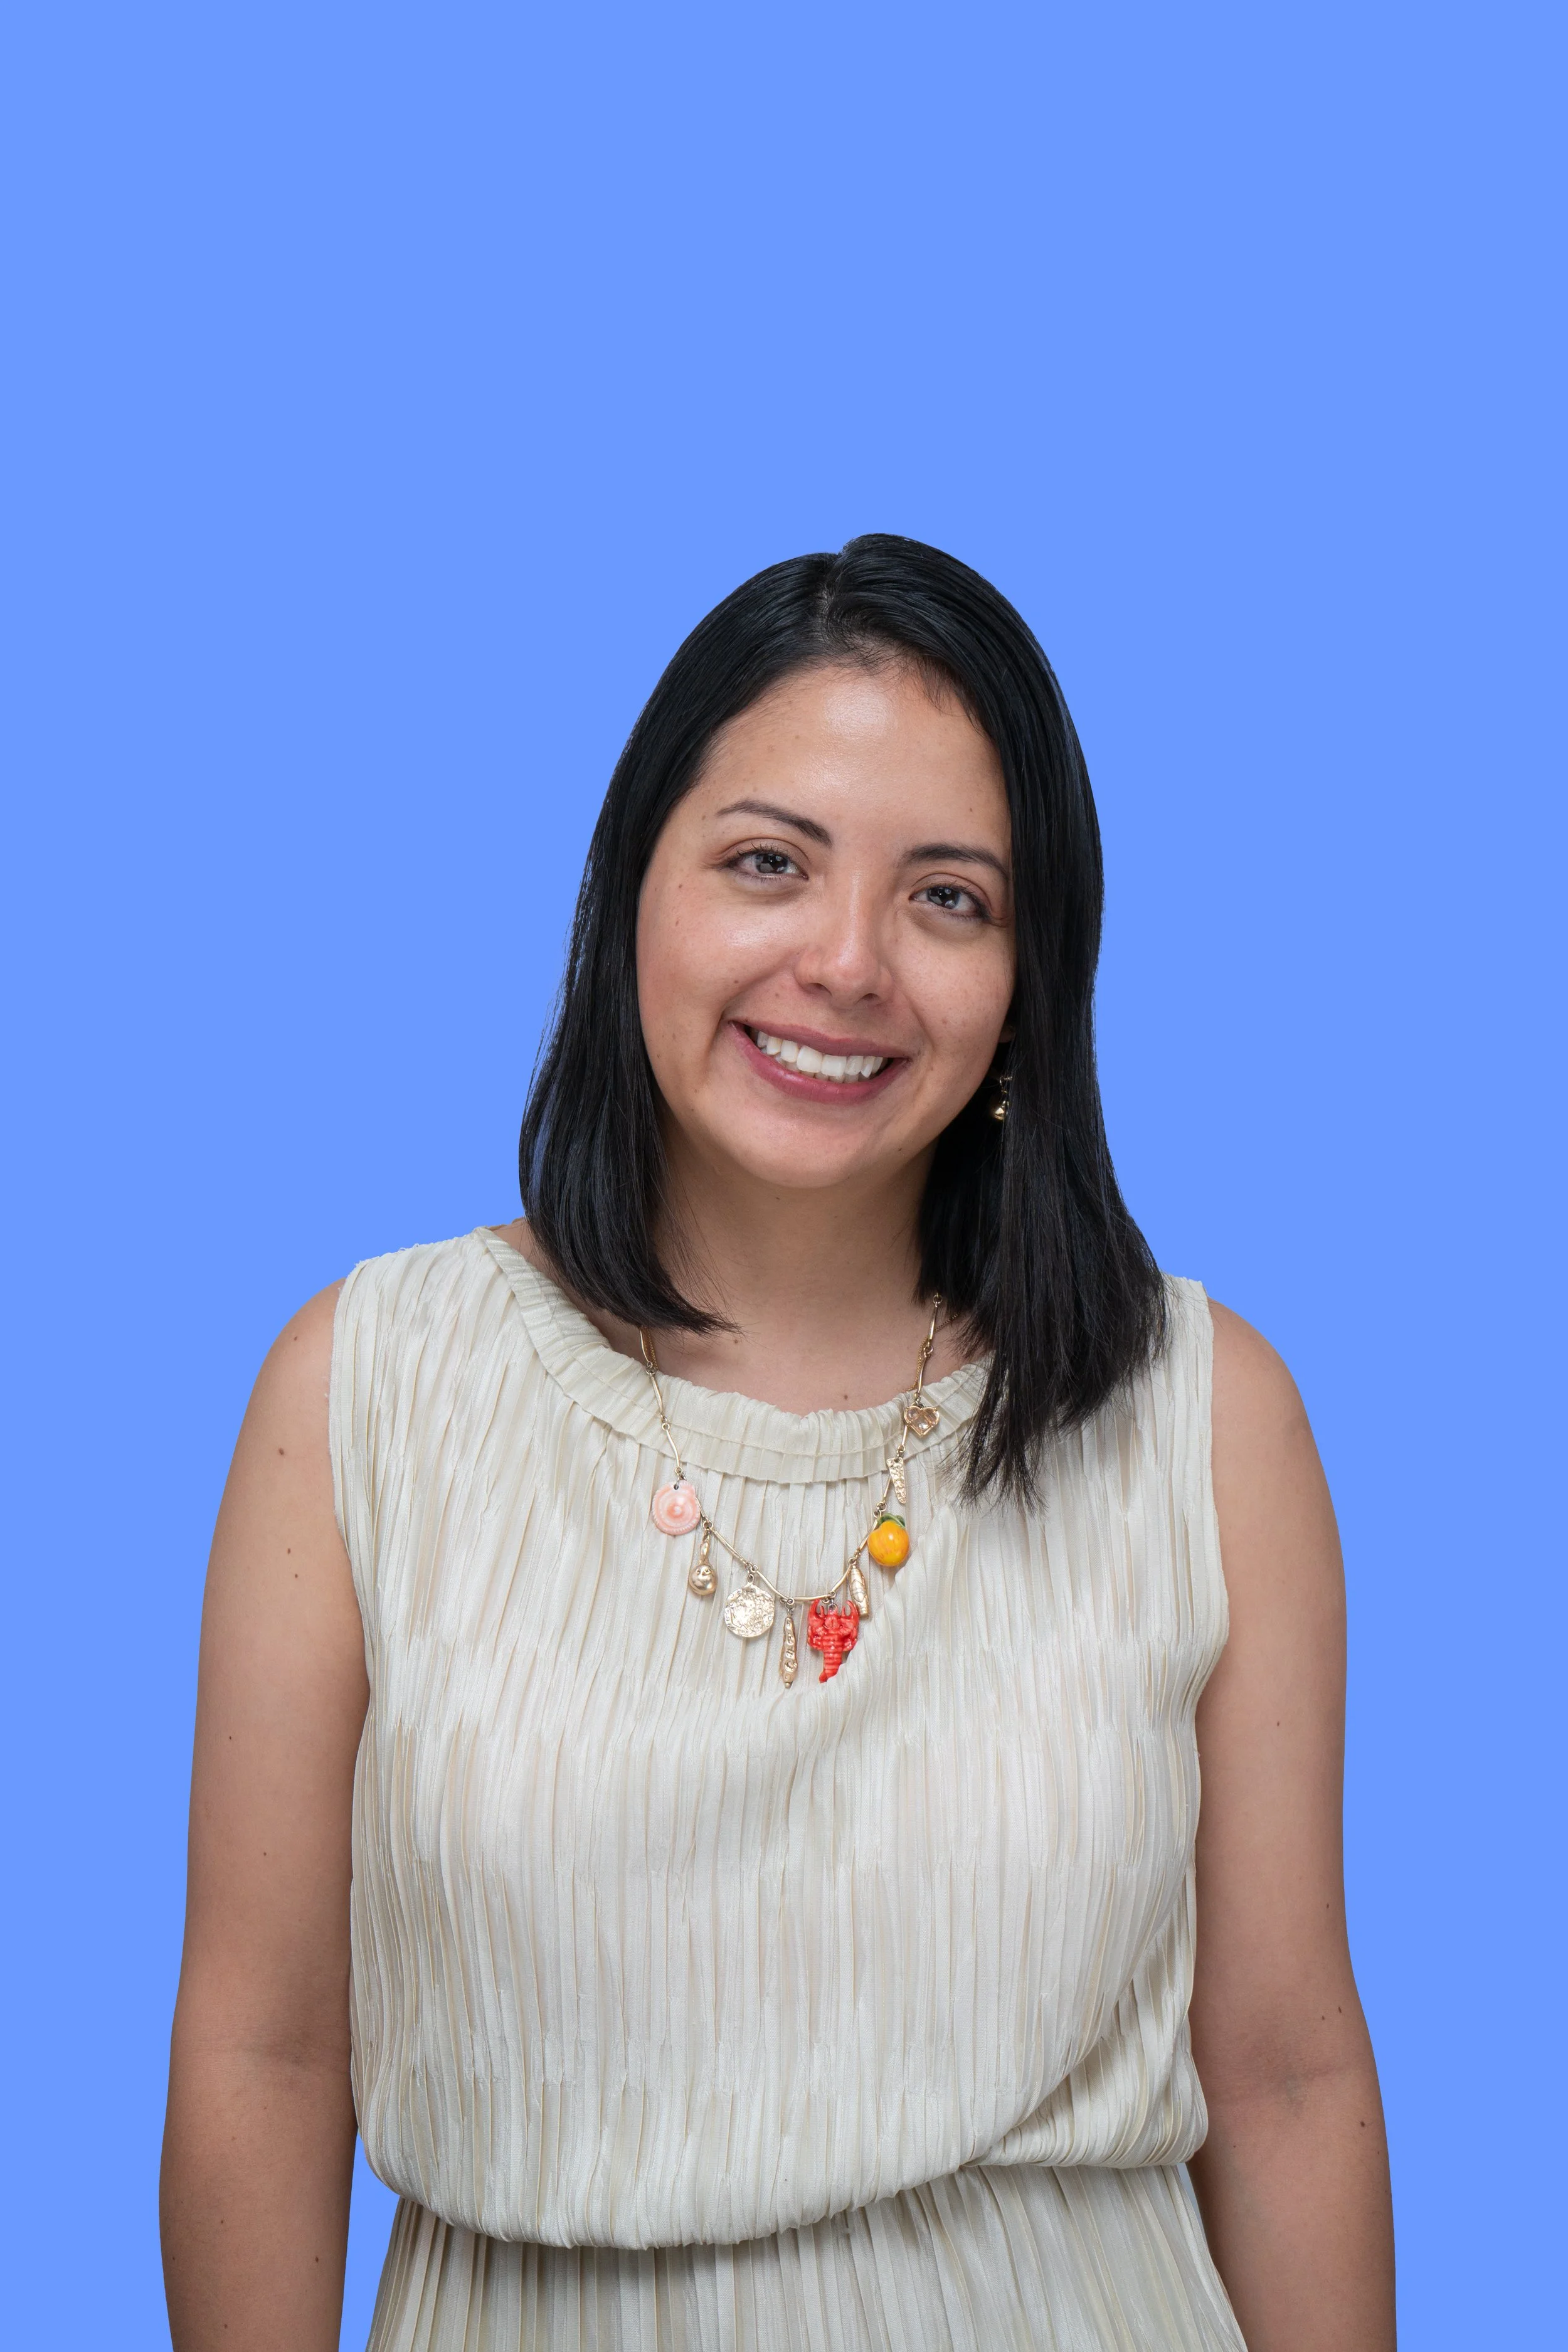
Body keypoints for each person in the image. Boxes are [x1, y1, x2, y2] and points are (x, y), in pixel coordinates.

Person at [161, 536, 1395, 2351]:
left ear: (1030, 977)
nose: (846, 963)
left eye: (949, 898)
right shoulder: (371, 1383)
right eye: (767, 863)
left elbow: (1285, 2077)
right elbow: (264, 2058)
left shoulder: (1201, 1415)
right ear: (629, 894)